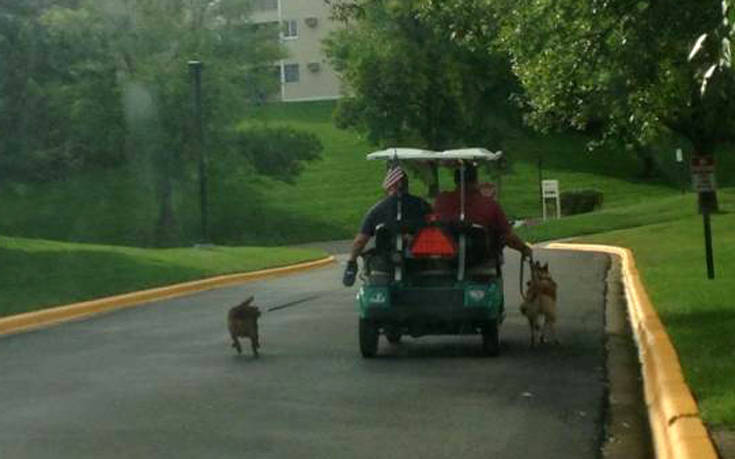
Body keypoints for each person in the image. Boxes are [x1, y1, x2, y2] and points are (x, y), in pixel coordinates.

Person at [342, 166, 431, 286]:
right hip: (422, 260)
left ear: (389, 185)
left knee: (373, 260)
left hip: (385, 263)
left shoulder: (377, 210)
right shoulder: (422, 205)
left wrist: (351, 262)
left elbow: (360, 241)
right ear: (407, 185)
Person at [433, 164, 532, 258]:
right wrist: (523, 249)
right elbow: (507, 235)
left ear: (455, 180)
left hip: (446, 258)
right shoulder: (489, 205)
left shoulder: (442, 201)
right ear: (476, 181)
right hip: (480, 259)